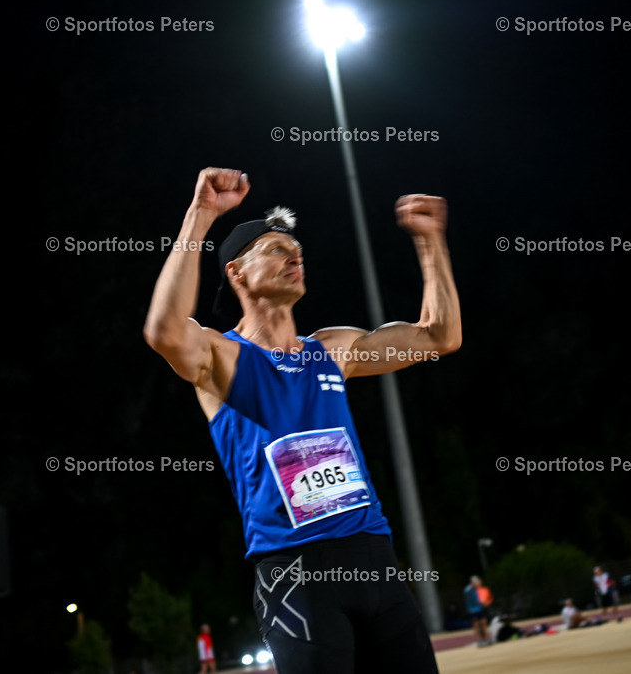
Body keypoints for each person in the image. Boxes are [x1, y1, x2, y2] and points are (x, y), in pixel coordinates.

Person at [144, 168, 461, 674]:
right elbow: (163, 330)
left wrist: (431, 243)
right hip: (296, 575)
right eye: (275, 249)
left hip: (374, 561)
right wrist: (201, 214)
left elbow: (438, 338)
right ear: (237, 272)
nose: (294, 256)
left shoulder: (333, 350)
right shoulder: (221, 358)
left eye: (297, 252)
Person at [464, 575, 493, 647]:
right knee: (476, 627)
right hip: (472, 611)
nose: (479, 584)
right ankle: (480, 641)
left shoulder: (475, 590)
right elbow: (473, 600)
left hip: (479, 609)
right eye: (478, 582)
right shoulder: (468, 590)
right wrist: (482, 603)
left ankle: (487, 639)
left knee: (484, 624)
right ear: (474, 582)